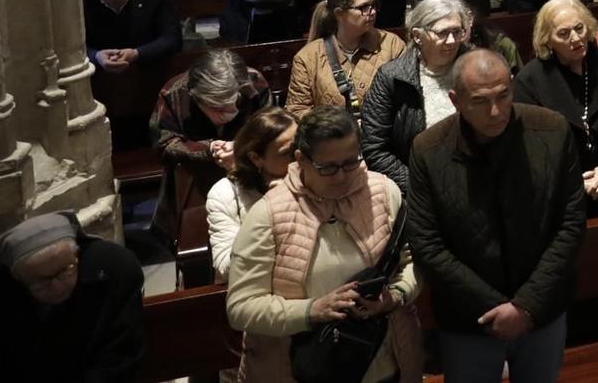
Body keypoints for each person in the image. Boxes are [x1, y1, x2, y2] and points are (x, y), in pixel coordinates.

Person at [408, 50, 587, 383]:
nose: (495, 111)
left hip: (542, 307)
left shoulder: (551, 129)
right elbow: (427, 243)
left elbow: (571, 222)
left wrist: (526, 305)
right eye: (479, 101)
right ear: (455, 100)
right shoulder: (429, 149)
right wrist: (496, 308)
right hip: (469, 317)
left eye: (503, 95)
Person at [224, 104, 423, 382]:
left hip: (383, 364)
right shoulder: (267, 214)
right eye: (327, 167)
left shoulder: (383, 191)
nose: (342, 176)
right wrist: (311, 310)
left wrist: (395, 295)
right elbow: (241, 307)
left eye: (350, 162)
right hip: (302, 369)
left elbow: (412, 263)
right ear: (300, 160)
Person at [514, 0, 598, 217]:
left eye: (579, 28)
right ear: (547, 39)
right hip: (560, 193)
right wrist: (571, 182)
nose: (575, 38)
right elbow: (528, 144)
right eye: (563, 34)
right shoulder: (529, 81)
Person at [0, 212, 145, 382]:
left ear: (77, 254)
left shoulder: (115, 270)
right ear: (18, 278)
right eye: (42, 280)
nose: (57, 286)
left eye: (65, 270)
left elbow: (122, 356)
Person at [151, 49, 273, 245]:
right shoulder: (174, 93)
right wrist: (210, 148)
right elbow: (163, 145)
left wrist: (241, 147)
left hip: (249, 175)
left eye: (233, 104)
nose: (229, 113)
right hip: (194, 179)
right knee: (194, 244)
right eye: (218, 108)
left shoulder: (254, 83)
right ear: (196, 97)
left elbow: (271, 133)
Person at [361, 0, 475, 190]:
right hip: (418, 184)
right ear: (417, 36)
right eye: (441, 33)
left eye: (457, 31)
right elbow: (375, 148)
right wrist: (419, 185)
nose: (451, 41)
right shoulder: (392, 77)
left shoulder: (477, 67)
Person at [288, 0, 406, 119]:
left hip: (382, 137)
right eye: (363, 7)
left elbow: (406, 100)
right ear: (339, 14)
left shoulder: (392, 45)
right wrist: (335, 127)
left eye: (374, 5)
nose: (373, 12)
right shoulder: (308, 57)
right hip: (332, 138)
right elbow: (296, 111)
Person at [204, 106, 297, 277]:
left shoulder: (313, 177)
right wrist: (270, 214)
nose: (298, 157)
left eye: (301, 147)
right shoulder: (224, 194)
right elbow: (226, 267)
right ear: (256, 158)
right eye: (287, 153)